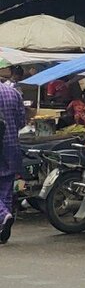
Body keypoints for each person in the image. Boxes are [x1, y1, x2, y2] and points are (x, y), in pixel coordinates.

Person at [0, 79, 27, 243]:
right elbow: (21, 122)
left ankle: (3, 214)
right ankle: (3, 232)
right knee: (6, 189)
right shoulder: (13, 93)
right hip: (11, 146)